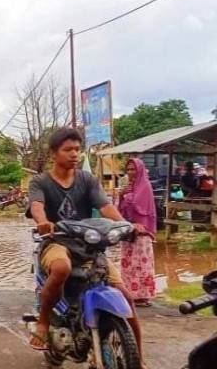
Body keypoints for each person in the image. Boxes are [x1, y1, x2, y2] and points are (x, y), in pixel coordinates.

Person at [27, 128, 147, 367]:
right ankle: (42, 323)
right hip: (57, 241)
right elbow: (37, 206)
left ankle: (139, 358)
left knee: (125, 296)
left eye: (77, 149)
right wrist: (42, 222)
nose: (74, 154)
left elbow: (105, 208)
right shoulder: (40, 181)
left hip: (89, 244)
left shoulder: (87, 179)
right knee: (61, 268)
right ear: (54, 153)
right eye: (68, 149)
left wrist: (126, 225)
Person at [119, 158, 157, 308]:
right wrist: (121, 195)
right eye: (128, 169)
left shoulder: (145, 186)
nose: (130, 172)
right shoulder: (129, 187)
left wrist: (126, 196)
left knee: (142, 264)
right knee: (129, 263)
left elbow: (139, 207)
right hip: (128, 231)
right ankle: (130, 294)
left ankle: (143, 296)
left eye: (133, 169)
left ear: (139, 170)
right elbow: (120, 209)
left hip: (141, 233)